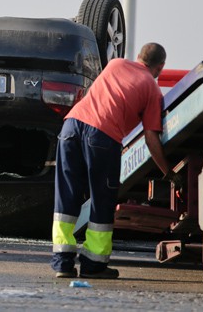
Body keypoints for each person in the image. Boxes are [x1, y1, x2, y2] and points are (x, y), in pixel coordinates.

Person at [50, 42, 172, 279]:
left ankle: (62, 264)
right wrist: (168, 172)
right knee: (101, 200)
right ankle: (93, 264)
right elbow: (151, 139)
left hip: (71, 126)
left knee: (66, 196)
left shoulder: (116, 64)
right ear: (160, 67)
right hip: (102, 137)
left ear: (138, 57)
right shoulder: (152, 89)